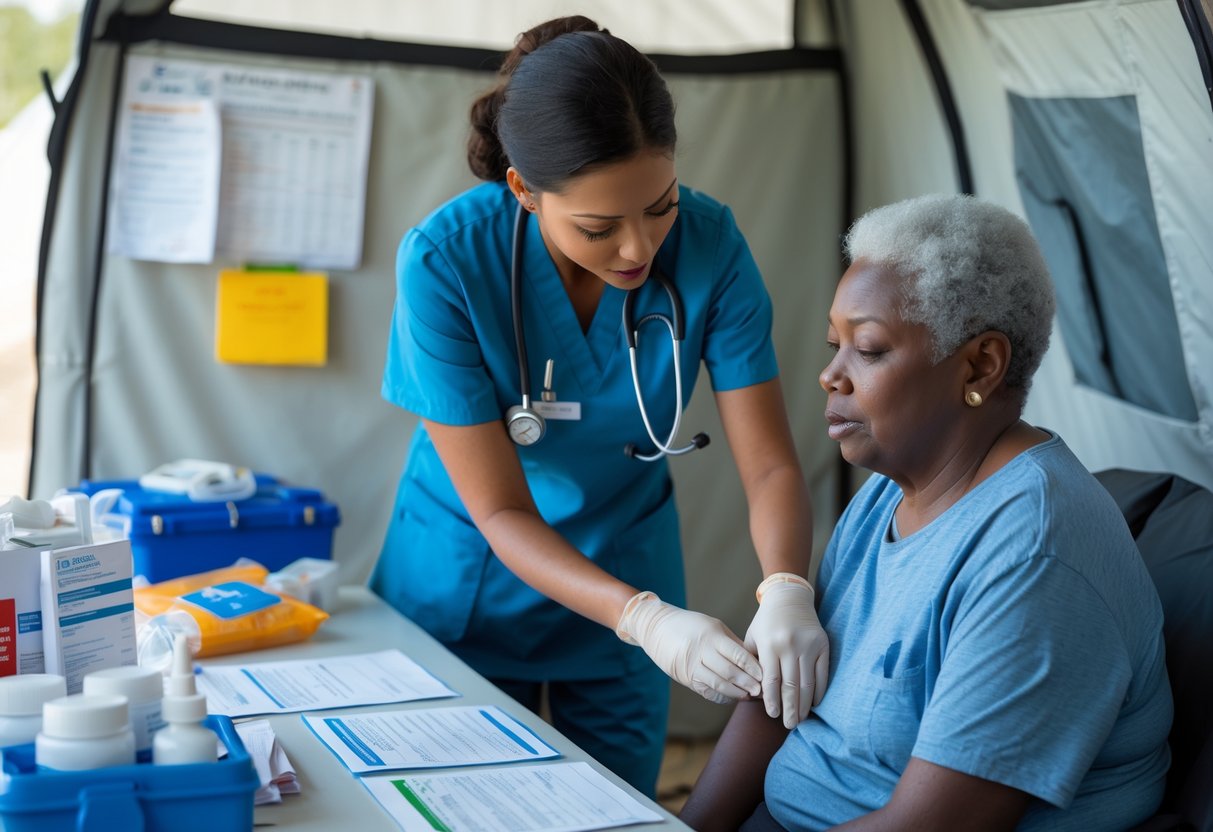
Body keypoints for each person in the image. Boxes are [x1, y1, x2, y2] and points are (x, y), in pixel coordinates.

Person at [370, 16, 829, 796]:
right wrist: (644, 617)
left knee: (616, 807)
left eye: (659, 205)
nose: (637, 249)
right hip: (470, 578)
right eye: (596, 225)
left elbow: (770, 463)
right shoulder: (446, 261)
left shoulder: (711, 246)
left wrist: (786, 585)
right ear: (522, 189)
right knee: (464, 807)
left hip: (624, 556)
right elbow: (502, 512)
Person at [678, 194, 1173, 830]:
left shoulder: (1034, 554)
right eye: (835, 345)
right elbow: (780, 697)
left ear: (980, 365)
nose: (832, 376)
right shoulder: (892, 489)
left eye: (871, 349)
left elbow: (928, 826)